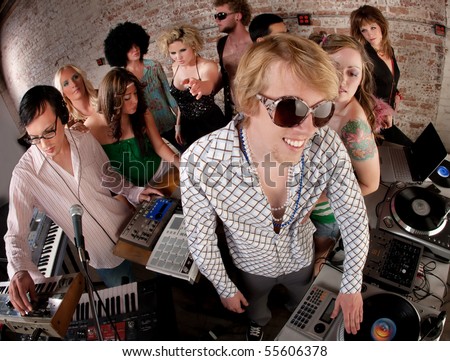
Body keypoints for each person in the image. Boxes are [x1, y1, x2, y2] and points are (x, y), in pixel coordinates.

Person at [180, 33, 369, 341]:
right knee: (257, 309)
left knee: (300, 300)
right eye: (290, 109)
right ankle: (260, 322)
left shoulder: (327, 144)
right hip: (251, 264)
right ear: (250, 101)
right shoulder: (199, 163)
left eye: (321, 110)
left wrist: (351, 284)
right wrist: (225, 286)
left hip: (301, 256)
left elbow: (353, 215)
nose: (308, 129)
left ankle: (295, 312)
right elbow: (200, 239)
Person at [4, 85, 163, 315]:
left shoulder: (83, 139)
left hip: (130, 230)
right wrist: (19, 271)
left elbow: (108, 175)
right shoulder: (24, 176)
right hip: (102, 258)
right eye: (35, 138)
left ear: (63, 116)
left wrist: (134, 192)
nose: (45, 144)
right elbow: (14, 235)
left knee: (159, 288)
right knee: (135, 312)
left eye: (49, 131)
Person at [308, 33, 380, 272]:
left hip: (325, 215)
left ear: (361, 77)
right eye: (334, 68)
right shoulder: (315, 101)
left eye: (352, 72)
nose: (343, 80)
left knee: (314, 264)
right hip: (301, 204)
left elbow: (370, 184)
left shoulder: (354, 127)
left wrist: (316, 198)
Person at [84, 68, 180, 187]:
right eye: (127, 98)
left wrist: (180, 165)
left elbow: (159, 146)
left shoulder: (143, 113)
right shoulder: (92, 127)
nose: (135, 101)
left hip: (162, 171)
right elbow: (102, 170)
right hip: (134, 189)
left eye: (135, 94)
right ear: (112, 100)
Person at [104, 21, 181, 150]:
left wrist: (180, 121)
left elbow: (169, 94)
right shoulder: (123, 78)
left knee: (185, 153)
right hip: (144, 129)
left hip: (168, 122)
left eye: (137, 44)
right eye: (130, 47)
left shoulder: (154, 66)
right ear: (121, 50)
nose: (135, 49)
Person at [158, 25, 227, 148]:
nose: (178, 57)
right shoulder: (175, 66)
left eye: (183, 50)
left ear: (193, 45)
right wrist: (178, 125)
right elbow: (181, 101)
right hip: (187, 126)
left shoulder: (207, 66)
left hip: (210, 124)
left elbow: (209, 85)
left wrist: (200, 86)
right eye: (173, 53)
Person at [350, 5, 401, 133]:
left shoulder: (389, 50)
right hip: (371, 119)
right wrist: (382, 112)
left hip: (387, 116)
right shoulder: (364, 56)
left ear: (381, 26)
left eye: (373, 27)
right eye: (364, 30)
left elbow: (389, 79)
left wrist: (396, 95)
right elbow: (361, 91)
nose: (370, 34)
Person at [213, 0, 253, 121]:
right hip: (233, 110)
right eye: (216, 16)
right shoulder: (222, 43)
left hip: (257, 108)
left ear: (237, 16)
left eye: (221, 15)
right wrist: (207, 92)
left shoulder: (256, 42)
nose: (217, 20)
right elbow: (225, 73)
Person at [54, 64, 98, 130]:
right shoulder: (69, 123)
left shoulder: (103, 95)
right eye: (66, 84)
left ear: (82, 78)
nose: (74, 84)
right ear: (63, 93)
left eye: (75, 77)